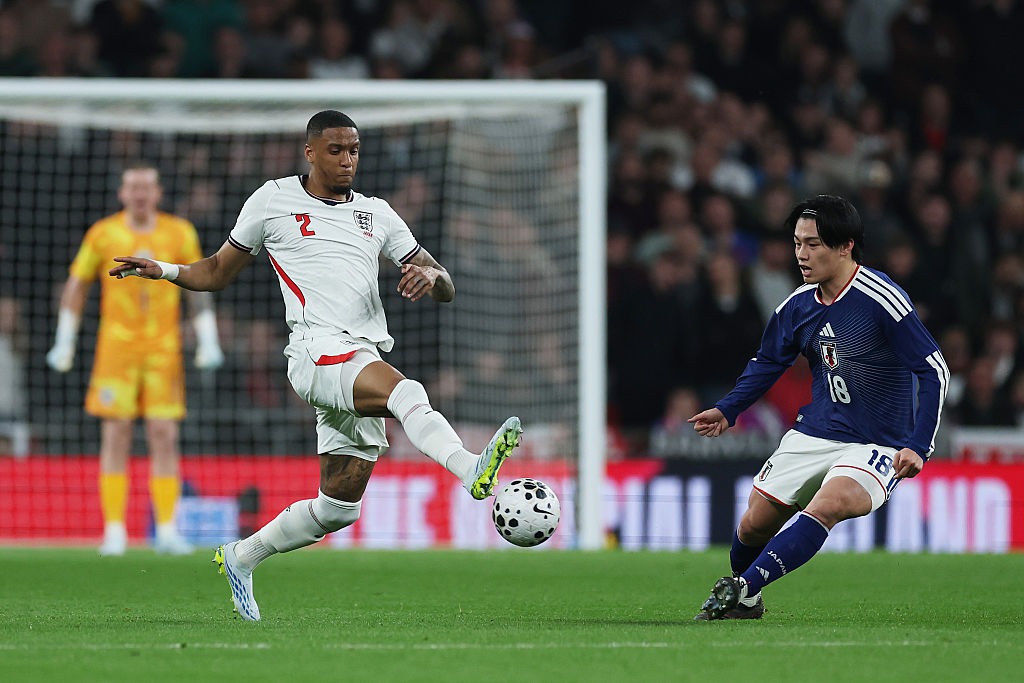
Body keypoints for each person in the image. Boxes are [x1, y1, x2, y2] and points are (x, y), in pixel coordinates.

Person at [108, 110, 522, 621]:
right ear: (310, 151)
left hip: (360, 356)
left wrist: (430, 278)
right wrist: (165, 270)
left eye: (353, 150)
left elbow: (444, 281)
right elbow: (217, 272)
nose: (347, 160)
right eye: (335, 150)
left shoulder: (378, 213)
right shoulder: (273, 200)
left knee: (338, 507)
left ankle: (241, 556)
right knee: (406, 391)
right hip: (314, 352)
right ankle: (470, 469)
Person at [688, 194, 947, 620]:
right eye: (796, 244)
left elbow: (934, 371)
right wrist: (728, 409)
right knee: (754, 523)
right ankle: (747, 600)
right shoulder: (798, 305)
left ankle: (741, 588)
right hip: (817, 430)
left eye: (812, 244)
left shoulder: (881, 299)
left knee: (826, 506)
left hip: (877, 443)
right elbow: (770, 360)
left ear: (845, 246)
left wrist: (919, 445)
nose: (801, 255)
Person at [46, 164, 225, 556]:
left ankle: (166, 529)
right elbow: (77, 285)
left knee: (164, 434)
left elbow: (196, 282)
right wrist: (65, 341)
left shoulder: (179, 231)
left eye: (147, 186)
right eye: (133, 186)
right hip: (117, 348)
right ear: (122, 193)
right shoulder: (103, 232)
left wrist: (207, 339)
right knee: (116, 433)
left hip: (163, 349)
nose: (140, 193)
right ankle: (114, 530)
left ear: (158, 193)